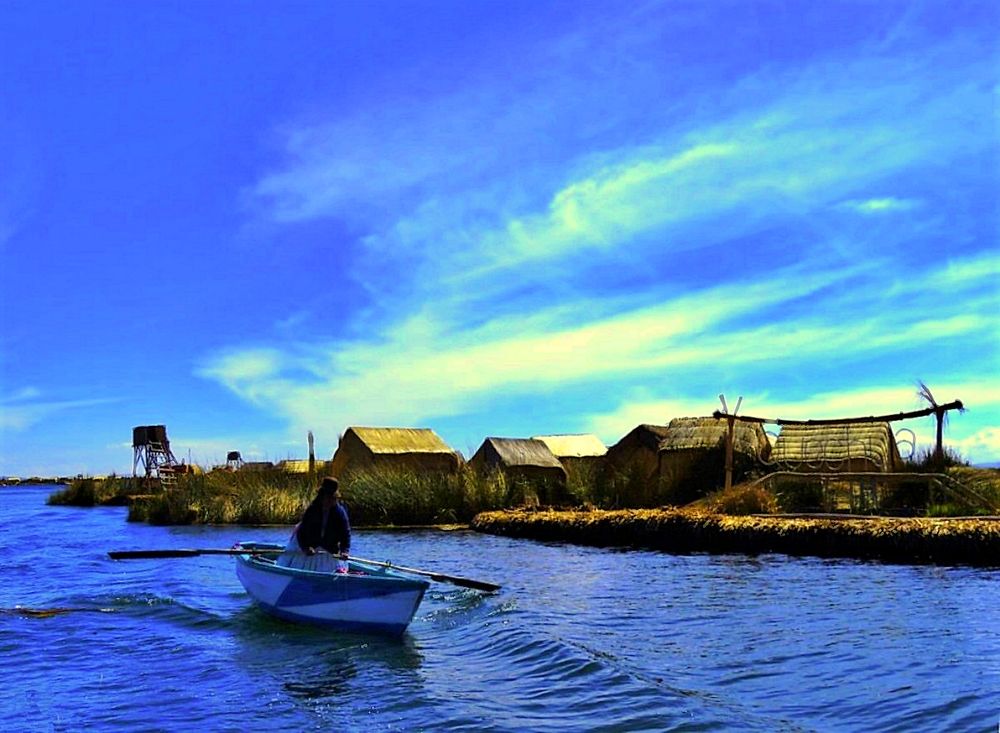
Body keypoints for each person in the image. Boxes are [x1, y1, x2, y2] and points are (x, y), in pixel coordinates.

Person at [277, 476, 351, 572]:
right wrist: (305, 548)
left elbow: (345, 533)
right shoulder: (312, 510)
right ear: (322, 496)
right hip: (309, 549)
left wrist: (344, 551)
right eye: (327, 497)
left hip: (328, 550)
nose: (330, 501)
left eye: (332, 498)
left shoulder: (339, 513)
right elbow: (301, 531)